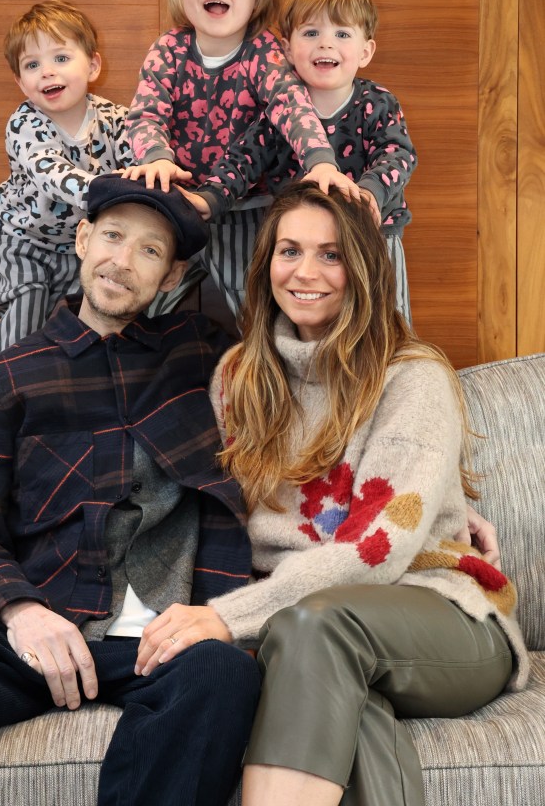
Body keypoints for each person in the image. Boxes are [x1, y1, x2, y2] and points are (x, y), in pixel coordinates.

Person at [0, 175, 261, 806]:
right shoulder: (10, 377)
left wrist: (436, 509)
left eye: (149, 250)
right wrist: (23, 613)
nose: (122, 261)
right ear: (83, 239)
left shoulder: (205, 357)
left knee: (222, 674)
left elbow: (317, 391)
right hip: (44, 625)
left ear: (170, 278)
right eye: (112, 236)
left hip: (164, 641)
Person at [197, 182, 527, 805]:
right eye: (289, 250)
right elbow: (212, 512)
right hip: (303, 627)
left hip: (444, 615)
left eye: (331, 254)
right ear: (265, 262)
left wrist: (226, 617)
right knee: (338, 695)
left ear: (363, 269)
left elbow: (379, 546)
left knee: (317, 628)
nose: (306, 272)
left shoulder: (411, 377)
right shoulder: (236, 378)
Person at [122, 0, 359, 317]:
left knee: (253, 306)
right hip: (178, 202)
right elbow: (146, 112)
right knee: (144, 300)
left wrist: (320, 160)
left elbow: (291, 105)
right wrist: (156, 157)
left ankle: (267, 370)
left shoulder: (261, 51)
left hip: (246, 208)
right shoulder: (169, 48)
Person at [222, 0, 418, 323]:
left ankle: (390, 372)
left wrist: (370, 193)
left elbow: (398, 155)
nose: (325, 44)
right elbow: (244, 159)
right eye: (311, 33)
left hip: (374, 235)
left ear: (365, 51)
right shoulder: (281, 110)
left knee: (386, 320)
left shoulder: (377, 103)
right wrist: (211, 197)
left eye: (342, 34)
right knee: (291, 322)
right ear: (286, 50)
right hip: (303, 247)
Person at [0, 0, 132, 352]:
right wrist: (106, 188)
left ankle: (70, 391)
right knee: (25, 313)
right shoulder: (24, 124)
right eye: (32, 65)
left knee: (85, 327)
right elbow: (52, 173)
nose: (47, 72)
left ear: (93, 65)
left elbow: (136, 167)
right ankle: (1, 386)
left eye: (61, 58)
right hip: (24, 241)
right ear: (21, 82)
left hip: (80, 247)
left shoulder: (116, 119)